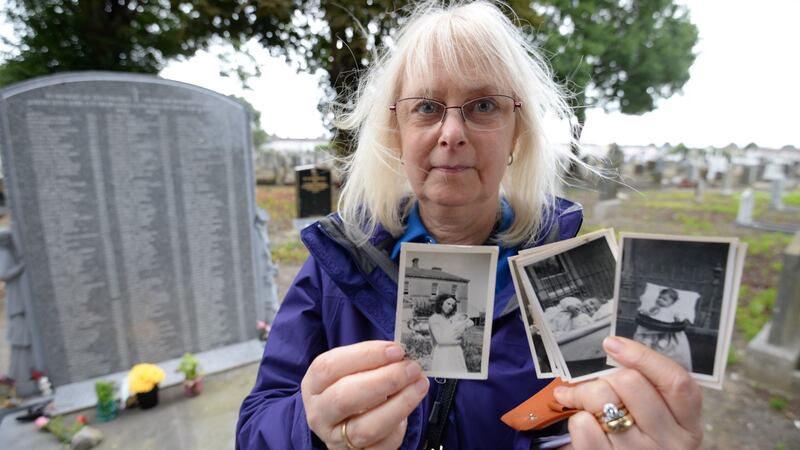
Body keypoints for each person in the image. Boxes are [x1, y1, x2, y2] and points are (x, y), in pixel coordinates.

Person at [236, 2, 703, 449]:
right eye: (426, 107)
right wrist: (312, 426)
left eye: (483, 106)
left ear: (516, 133)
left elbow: (598, 417)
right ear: (396, 131)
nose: (452, 132)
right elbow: (255, 428)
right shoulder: (336, 265)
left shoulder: (572, 276)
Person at [633, 287, 694, 372]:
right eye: (659, 297)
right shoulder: (656, 307)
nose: (660, 300)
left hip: (667, 325)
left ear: (671, 303)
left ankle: (663, 340)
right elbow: (650, 313)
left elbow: (677, 319)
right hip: (655, 324)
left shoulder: (671, 311)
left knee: (666, 332)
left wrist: (677, 319)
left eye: (664, 299)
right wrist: (646, 312)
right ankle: (647, 341)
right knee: (650, 333)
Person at [428, 294, 473, 372]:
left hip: (455, 351)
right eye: (448, 304)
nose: (450, 307)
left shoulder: (452, 317)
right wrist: (458, 341)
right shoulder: (434, 318)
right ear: (441, 303)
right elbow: (440, 341)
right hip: (443, 352)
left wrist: (463, 327)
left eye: (453, 305)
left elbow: (471, 322)